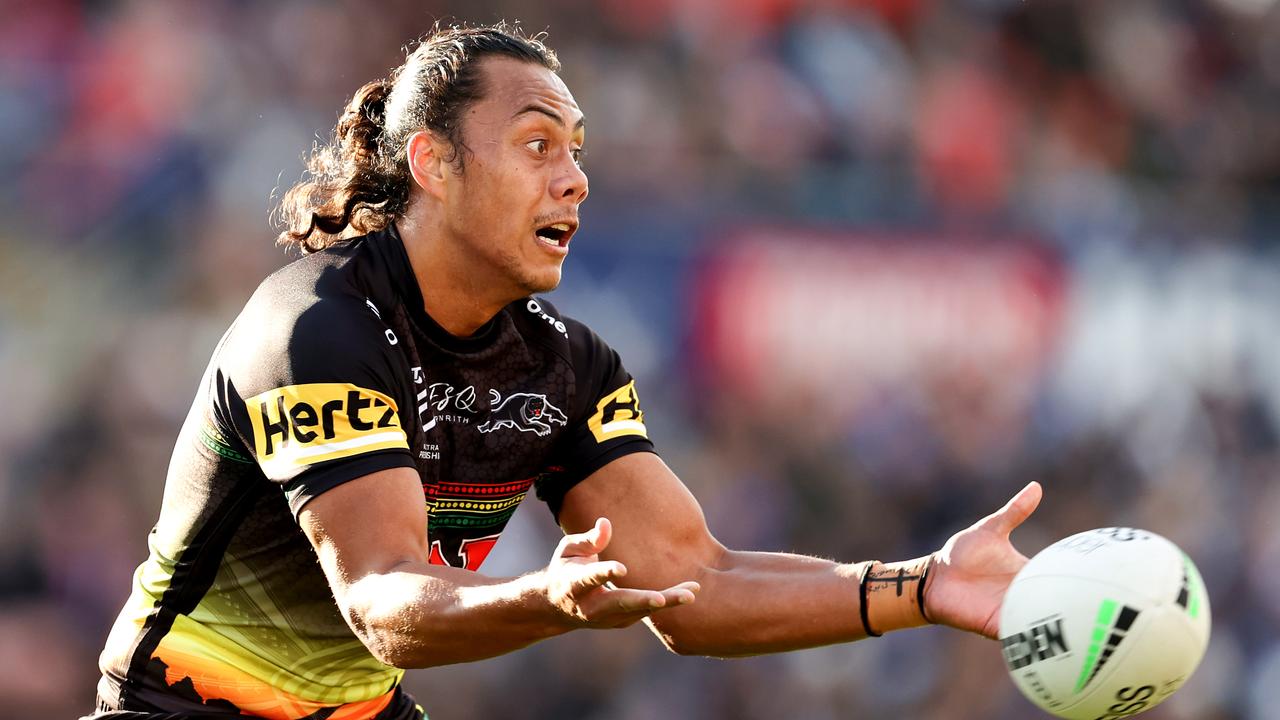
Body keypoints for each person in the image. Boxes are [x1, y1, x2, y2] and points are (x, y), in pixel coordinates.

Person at [85, 22, 1043, 720]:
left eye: (576, 152)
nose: (574, 178)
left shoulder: (565, 365)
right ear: (433, 163)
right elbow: (382, 601)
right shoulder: (316, 332)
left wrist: (923, 585)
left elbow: (692, 581)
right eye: (537, 144)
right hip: (178, 709)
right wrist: (541, 598)